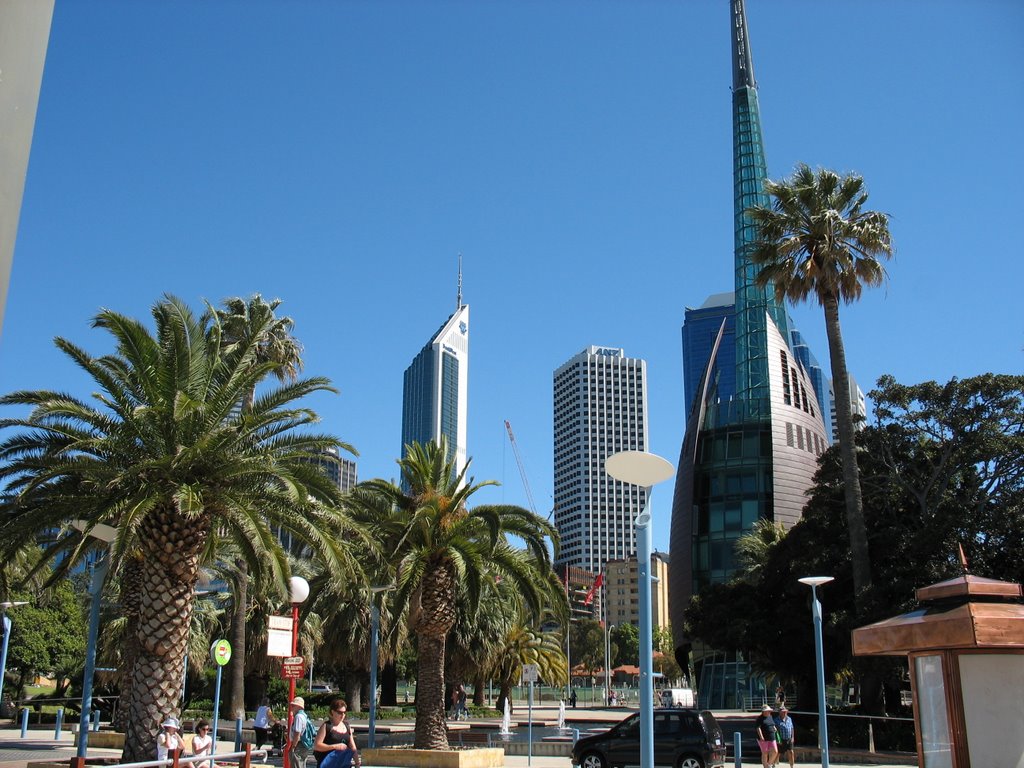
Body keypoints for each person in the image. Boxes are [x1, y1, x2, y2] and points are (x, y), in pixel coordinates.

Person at [313, 698, 359, 768]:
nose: (342, 715)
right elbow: (317, 746)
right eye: (340, 712)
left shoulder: (347, 726)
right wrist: (335, 746)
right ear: (333, 712)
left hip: (343, 764)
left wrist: (357, 763)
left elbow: (353, 747)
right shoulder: (326, 726)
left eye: (344, 712)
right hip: (328, 764)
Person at [288, 696, 311, 768]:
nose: (291, 707)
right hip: (304, 744)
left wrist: (293, 747)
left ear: (298, 706)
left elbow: (297, 733)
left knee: (296, 765)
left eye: (293, 705)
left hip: (298, 745)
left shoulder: (298, 717)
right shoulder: (304, 716)